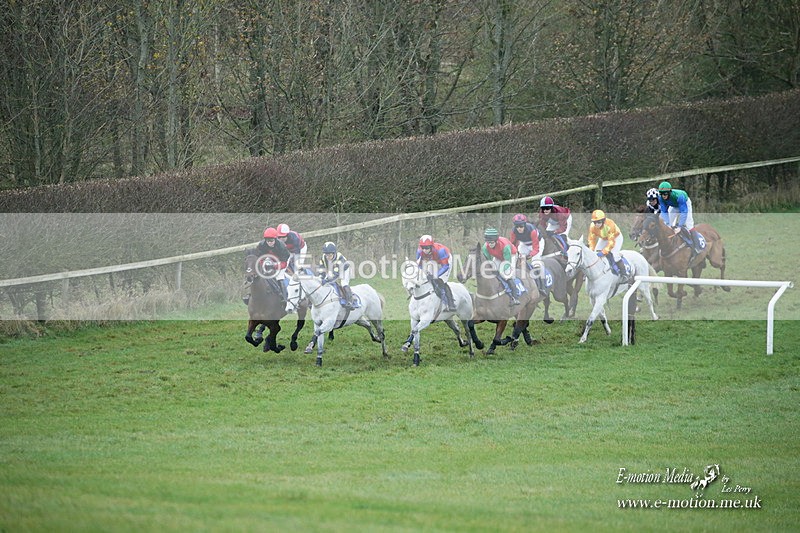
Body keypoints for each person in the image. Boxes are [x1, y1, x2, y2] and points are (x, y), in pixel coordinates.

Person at [243, 226, 291, 304]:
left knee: (279, 277)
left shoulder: (281, 246)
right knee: (258, 275)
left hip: (282, 260)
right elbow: (260, 258)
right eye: (267, 240)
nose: (269, 242)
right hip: (269, 259)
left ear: (275, 239)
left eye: (271, 240)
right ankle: (250, 295)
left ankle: (284, 298)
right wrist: (263, 265)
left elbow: (284, 263)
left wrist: (274, 267)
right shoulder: (261, 245)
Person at [657, 181, 702, 253]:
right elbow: (664, 211)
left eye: (665, 193)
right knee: (666, 224)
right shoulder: (660, 198)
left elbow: (684, 212)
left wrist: (680, 226)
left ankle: (697, 246)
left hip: (685, 204)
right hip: (674, 206)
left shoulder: (679, 196)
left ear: (669, 192)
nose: (663, 196)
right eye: (661, 194)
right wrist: (668, 224)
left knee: (689, 224)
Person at [481, 228, 523, 305]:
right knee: (493, 271)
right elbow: (489, 260)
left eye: (492, 242)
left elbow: (507, 262)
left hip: (511, 255)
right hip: (498, 256)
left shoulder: (505, 246)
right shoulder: (485, 247)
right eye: (488, 242)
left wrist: (500, 270)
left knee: (506, 274)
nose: (490, 244)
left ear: (496, 241)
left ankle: (515, 297)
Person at [509, 214, 547, 297]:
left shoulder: (532, 230)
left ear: (525, 224)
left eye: (521, 226)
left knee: (536, 263)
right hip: (524, 244)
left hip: (538, 243)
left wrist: (530, 255)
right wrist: (515, 254)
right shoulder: (513, 231)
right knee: (515, 260)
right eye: (517, 226)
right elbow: (512, 245)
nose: (519, 228)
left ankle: (542, 287)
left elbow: (536, 248)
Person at [587, 210, 630, 283]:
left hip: (616, 237)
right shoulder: (592, 227)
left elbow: (611, 242)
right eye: (595, 222)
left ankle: (624, 274)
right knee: (595, 254)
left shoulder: (610, 224)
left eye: (599, 222)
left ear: (603, 221)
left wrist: (604, 252)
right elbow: (591, 240)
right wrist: (591, 251)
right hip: (603, 238)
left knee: (615, 255)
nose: (596, 224)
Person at [416, 235, 456, 311]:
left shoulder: (441, 251)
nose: (424, 250)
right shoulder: (419, 251)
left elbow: (445, 266)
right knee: (426, 279)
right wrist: (425, 274)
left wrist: (435, 275)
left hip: (445, 261)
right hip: (432, 260)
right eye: (423, 247)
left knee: (441, 281)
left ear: (431, 246)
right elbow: (419, 266)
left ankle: (451, 304)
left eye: (427, 247)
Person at [317, 241, 356, 309]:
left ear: (334, 253)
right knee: (325, 282)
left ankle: (350, 301)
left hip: (344, 270)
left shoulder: (340, 258)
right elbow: (321, 271)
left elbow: (335, 274)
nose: (328, 257)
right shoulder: (323, 258)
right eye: (326, 255)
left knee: (344, 283)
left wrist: (326, 280)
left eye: (330, 255)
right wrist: (320, 279)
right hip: (333, 270)